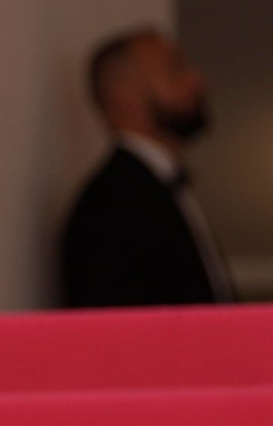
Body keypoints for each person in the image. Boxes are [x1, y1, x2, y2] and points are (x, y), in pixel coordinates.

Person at [59, 27, 233, 309]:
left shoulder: (165, 188)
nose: (197, 80)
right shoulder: (110, 205)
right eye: (175, 69)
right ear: (124, 97)